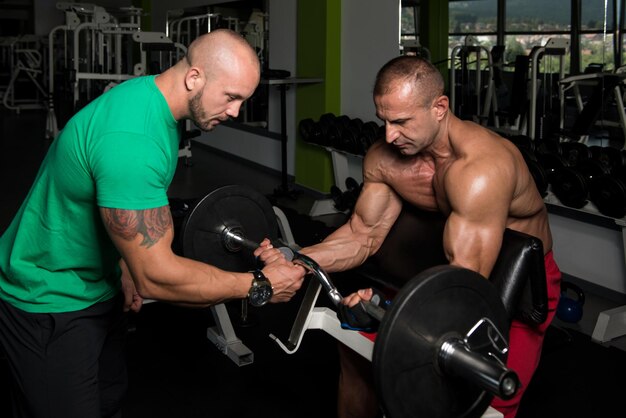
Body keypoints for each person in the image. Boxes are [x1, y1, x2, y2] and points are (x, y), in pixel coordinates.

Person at [0, 29, 305, 418]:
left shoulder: (152, 102)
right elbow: (157, 278)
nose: (235, 112)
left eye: (243, 100)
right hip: (48, 299)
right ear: (194, 77)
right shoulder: (133, 140)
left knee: (109, 399)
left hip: (96, 286)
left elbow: (112, 207)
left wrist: (125, 262)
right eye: (231, 97)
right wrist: (259, 285)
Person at [276, 56, 561, 418]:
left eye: (401, 121)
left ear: (439, 108)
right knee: (356, 354)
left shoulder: (481, 170)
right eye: (384, 120)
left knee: (480, 401)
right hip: (436, 272)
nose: (389, 134)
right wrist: (298, 261)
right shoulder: (386, 156)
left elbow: (465, 288)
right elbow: (363, 234)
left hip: (512, 290)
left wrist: (387, 311)